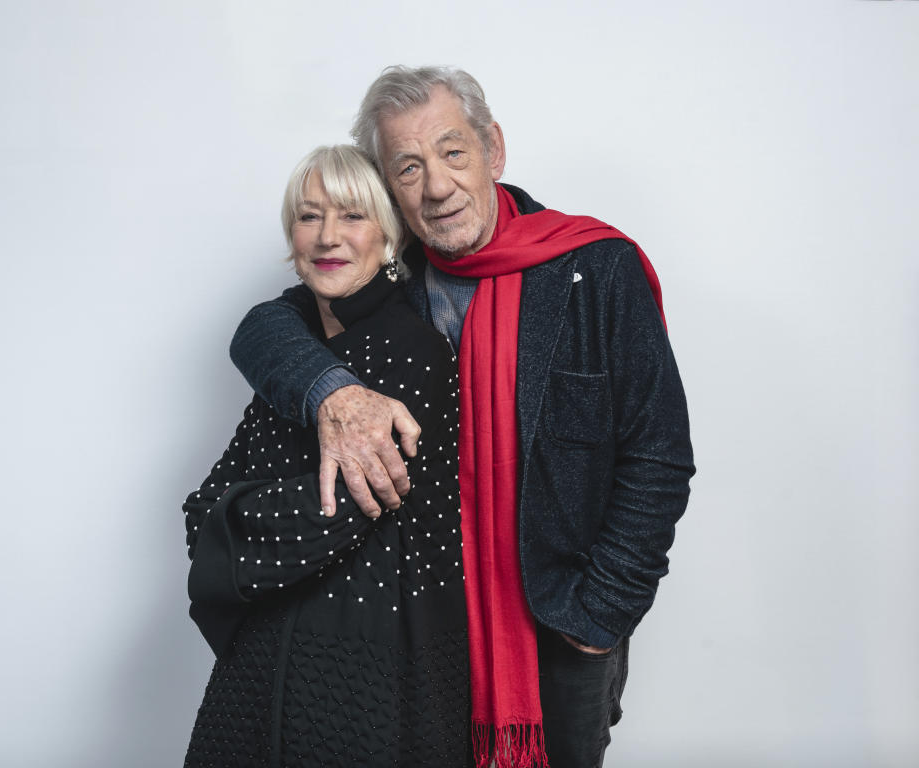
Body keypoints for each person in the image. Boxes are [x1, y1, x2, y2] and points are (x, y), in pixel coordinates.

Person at [230, 67, 696, 768]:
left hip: (558, 619)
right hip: (429, 622)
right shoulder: (387, 280)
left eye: (453, 154)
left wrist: (600, 614)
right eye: (408, 167)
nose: (438, 187)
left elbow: (658, 455)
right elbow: (263, 329)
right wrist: (334, 391)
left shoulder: (595, 270)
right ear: (389, 187)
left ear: (494, 151)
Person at [183, 145, 470, 767]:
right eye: (309, 217)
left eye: (352, 216)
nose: (327, 237)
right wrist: (230, 514)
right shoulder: (299, 357)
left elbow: (334, 512)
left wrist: (231, 518)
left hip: (367, 674)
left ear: (389, 236)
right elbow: (197, 507)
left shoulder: (414, 353)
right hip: (260, 669)